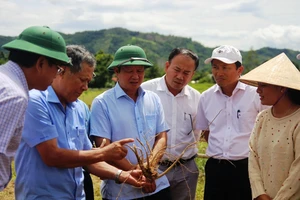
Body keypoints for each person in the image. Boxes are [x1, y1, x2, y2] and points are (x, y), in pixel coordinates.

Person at [14, 45, 145, 199]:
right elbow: (52, 156)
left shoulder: (80, 108)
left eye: (88, 81)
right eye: (82, 80)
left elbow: (88, 160)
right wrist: (103, 152)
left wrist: (123, 175)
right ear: (61, 71)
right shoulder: (35, 102)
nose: (85, 87)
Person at [90, 45, 172, 200]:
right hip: (121, 191)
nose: (135, 75)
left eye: (140, 70)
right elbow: (105, 147)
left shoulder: (153, 99)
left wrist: (150, 169)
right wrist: (136, 173)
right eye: (129, 71)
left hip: (157, 184)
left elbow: (161, 137)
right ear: (117, 71)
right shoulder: (102, 103)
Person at [0, 25, 72, 191]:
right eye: (58, 68)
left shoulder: (4, 79)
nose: (57, 75)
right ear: (41, 63)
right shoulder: (15, 96)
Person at [195, 45, 267, 200]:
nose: (219, 73)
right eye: (215, 67)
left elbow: (267, 129)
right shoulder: (206, 97)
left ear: (240, 70)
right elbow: (206, 132)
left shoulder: (256, 94)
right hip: (215, 167)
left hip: (246, 167)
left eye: (225, 68)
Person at [141, 47, 201, 200]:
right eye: (177, 70)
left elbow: (199, 132)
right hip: (154, 168)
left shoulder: (197, 98)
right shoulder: (145, 91)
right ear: (167, 66)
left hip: (186, 169)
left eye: (186, 73)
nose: (180, 76)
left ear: (193, 74)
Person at [239, 53, 300, 200]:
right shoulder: (262, 118)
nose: (258, 90)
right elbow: (253, 155)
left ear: (282, 88)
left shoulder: (297, 120)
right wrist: (260, 193)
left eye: (263, 85)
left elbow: (298, 170)